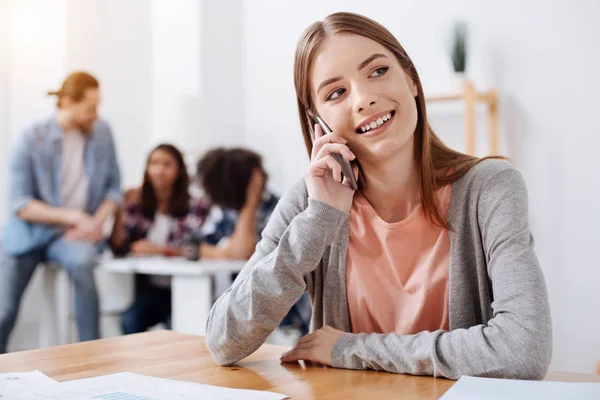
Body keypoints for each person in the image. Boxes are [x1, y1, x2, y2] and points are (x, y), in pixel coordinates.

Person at [205, 12, 552, 380]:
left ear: (411, 80)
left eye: (378, 71)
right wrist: (318, 221)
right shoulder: (311, 204)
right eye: (336, 92)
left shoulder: (489, 188)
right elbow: (223, 340)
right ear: (317, 122)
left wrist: (351, 349)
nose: (364, 98)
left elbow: (523, 350)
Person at [0, 71, 122, 352]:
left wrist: (95, 222)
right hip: (28, 234)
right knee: (4, 309)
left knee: (84, 266)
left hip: (72, 237)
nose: (96, 114)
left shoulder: (102, 133)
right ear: (67, 102)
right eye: (91, 108)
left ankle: (90, 354)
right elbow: (20, 203)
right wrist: (74, 216)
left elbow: (114, 188)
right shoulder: (29, 139)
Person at [110, 144, 265, 334]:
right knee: (131, 318)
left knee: (182, 324)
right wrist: (119, 205)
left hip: (192, 284)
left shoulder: (198, 206)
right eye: (154, 163)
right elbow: (119, 246)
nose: (159, 170)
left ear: (179, 170)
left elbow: (198, 248)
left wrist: (159, 250)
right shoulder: (138, 205)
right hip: (154, 287)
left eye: (167, 164)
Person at [197, 148, 310, 336]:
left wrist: (250, 203)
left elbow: (242, 250)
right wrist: (225, 252)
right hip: (234, 304)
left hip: (281, 310)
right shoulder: (224, 211)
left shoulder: (276, 210)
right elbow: (197, 248)